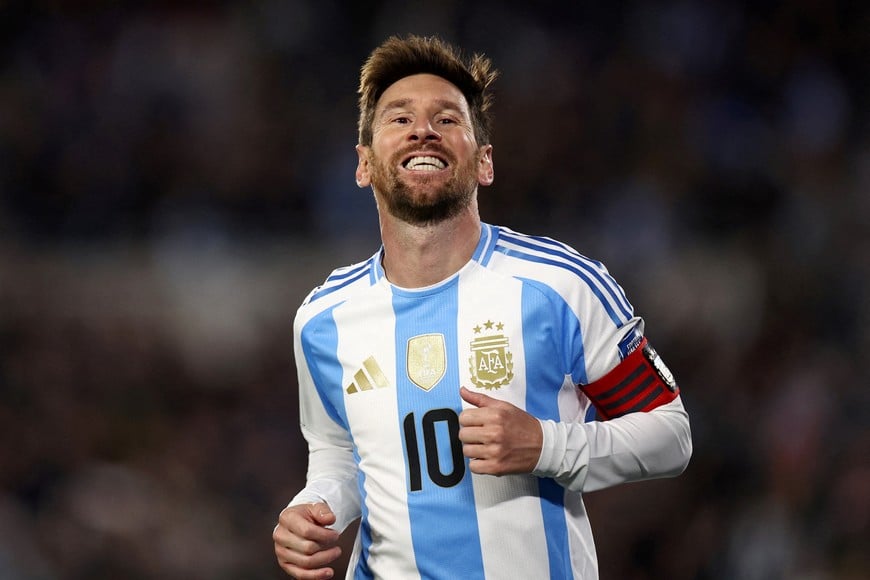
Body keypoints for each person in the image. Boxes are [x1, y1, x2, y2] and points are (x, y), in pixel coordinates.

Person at [273, 34, 692, 580]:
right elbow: (338, 454)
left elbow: (671, 434)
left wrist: (548, 446)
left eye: (447, 119)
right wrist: (313, 508)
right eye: (399, 119)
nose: (423, 129)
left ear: (485, 161)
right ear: (364, 164)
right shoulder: (323, 320)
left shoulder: (560, 286)